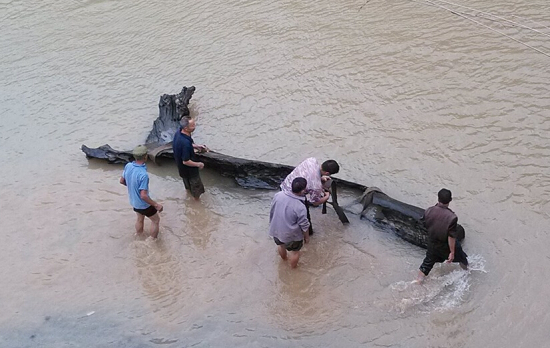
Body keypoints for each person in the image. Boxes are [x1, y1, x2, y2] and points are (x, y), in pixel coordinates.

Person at [416, 188, 468, 283]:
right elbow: (451, 236)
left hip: (432, 243)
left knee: (426, 265)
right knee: (462, 258)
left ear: (438, 198)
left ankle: (418, 282)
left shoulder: (429, 210)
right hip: (445, 245)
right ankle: (467, 273)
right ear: (450, 200)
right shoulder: (452, 217)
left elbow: (423, 224)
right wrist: (452, 252)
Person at [280, 158, 339, 234]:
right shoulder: (316, 186)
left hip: (285, 186)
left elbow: (309, 175)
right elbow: (315, 203)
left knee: (287, 218)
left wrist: (320, 178)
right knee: (305, 224)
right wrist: (326, 197)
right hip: (293, 197)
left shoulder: (312, 160)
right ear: (327, 173)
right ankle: (307, 237)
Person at [120, 145, 164, 239]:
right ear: (145, 156)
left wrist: (133, 187)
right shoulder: (143, 174)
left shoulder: (128, 166)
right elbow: (143, 196)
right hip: (144, 204)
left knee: (140, 219)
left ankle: (139, 235)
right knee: (156, 220)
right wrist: (156, 205)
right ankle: (153, 240)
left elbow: (122, 181)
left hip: (134, 202)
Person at [269, 177, 311, 268]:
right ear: (303, 190)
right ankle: (293, 270)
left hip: (276, 229)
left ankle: (284, 260)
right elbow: (304, 225)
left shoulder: (278, 195)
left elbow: (272, 209)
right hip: (291, 235)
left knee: (281, 246)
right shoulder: (300, 206)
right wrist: (306, 237)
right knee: (295, 252)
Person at [172, 117, 208, 200]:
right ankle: (197, 205)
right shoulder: (186, 144)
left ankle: (188, 197)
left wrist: (196, 146)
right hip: (190, 172)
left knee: (188, 187)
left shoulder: (179, 132)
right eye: (193, 125)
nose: (195, 126)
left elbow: (184, 145)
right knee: (197, 192)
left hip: (181, 169)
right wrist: (199, 164)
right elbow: (186, 161)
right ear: (186, 128)